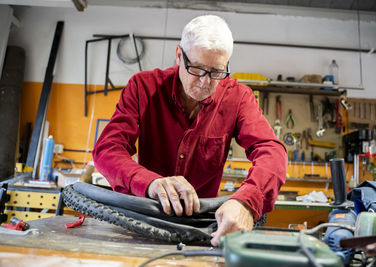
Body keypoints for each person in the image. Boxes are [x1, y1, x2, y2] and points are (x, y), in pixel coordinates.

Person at [92, 15, 287, 246]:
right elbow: (107, 149)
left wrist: (247, 201)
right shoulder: (143, 87)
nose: (205, 82)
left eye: (216, 72)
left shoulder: (238, 97)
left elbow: (271, 151)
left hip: (204, 230)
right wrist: (149, 182)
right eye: (197, 69)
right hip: (143, 220)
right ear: (178, 55)